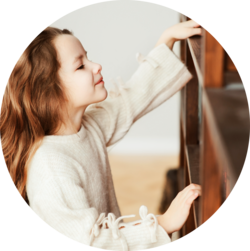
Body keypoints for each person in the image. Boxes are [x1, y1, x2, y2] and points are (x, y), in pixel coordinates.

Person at [0, 19, 202, 250]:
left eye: (88, 57)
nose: (96, 66)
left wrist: (167, 40)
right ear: (48, 93)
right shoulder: (51, 166)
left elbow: (132, 97)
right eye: (80, 66)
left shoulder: (86, 126)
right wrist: (163, 224)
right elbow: (91, 241)